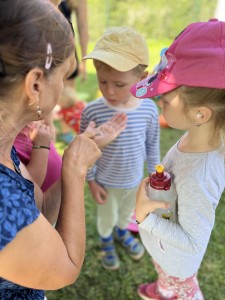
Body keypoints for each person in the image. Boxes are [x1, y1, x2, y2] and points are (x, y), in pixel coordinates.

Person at [0, 1, 127, 299]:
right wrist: (74, 170)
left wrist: (76, 158)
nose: (63, 87)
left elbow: (38, 214)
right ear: (35, 84)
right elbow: (66, 268)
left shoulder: (5, 146)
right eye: (63, 74)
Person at [130, 19, 225, 300]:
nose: (158, 101)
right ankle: (164, 289)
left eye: (165, 99)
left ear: (201, 113)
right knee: (166, 277)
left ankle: (174, 291)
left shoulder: (200, 175)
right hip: (165, 250)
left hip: (177, 262)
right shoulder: (194, 138)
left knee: (181, 288)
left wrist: (144, 217)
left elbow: (193, 242)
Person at [80, 26, 160, 270]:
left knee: (127, 213)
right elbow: (86, 151)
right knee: (106, 216)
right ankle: (107, 239)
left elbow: (152, 144)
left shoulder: (148, 110)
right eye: (103, 81)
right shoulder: (92, 111)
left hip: (134, 181)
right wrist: (92, 182)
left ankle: (122, 231)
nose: (110, 91)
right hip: (105, 181)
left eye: (119, 84)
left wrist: (154, 176)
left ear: (142, 78)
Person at [57, 0, 88, 143]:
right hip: (41, 47)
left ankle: (66, 131)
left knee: (68, 98)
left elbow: (83, 27)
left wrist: (84, 60)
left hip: (66, 49)